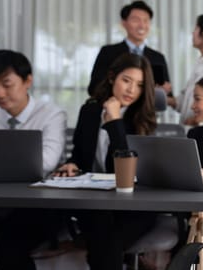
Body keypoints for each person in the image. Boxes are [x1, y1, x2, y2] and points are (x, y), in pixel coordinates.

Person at [0, 49, 66, 270]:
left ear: (27, 80)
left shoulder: (51, 114)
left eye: (7, 84)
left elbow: (46, 162)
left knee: (9, 251)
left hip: (37, 206)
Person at [56, 53, 157, 270]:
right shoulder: (90, 110)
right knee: (105, 239)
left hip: (133, 205)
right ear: (112, 77)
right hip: (95, 201)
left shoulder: (142, 118)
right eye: (126, 80)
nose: (131, 90)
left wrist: (114, 121)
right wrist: (72, 164)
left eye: (139, 85)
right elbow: (79, 155)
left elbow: (126, 169)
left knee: (106, 243)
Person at [88, 0, 173, 98]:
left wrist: (163, 91)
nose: (142, 25)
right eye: (136, 20)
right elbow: (94, 88)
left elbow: (167, 96)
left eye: (146, 20)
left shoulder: (158, 57)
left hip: (145, 112)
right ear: (124, 23)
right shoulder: (108, 52)